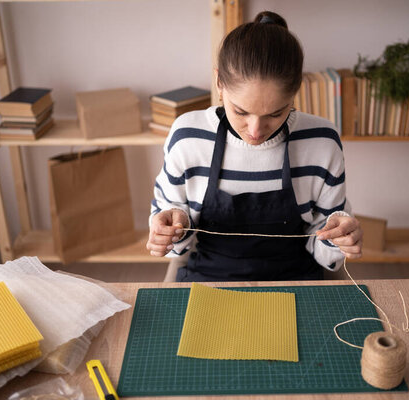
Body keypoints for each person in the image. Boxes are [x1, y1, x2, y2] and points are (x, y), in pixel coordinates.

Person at [146, 11, 362, 282]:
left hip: (298, 281)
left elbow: (326, 252)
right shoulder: (188, 137)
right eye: (240, 111)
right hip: (208, 280)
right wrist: (172, 226)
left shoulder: (321, 141)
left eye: (275, 113)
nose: (256, 131)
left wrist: (338, 239)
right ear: (219, 82)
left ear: (294, 92)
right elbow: (174, 245)